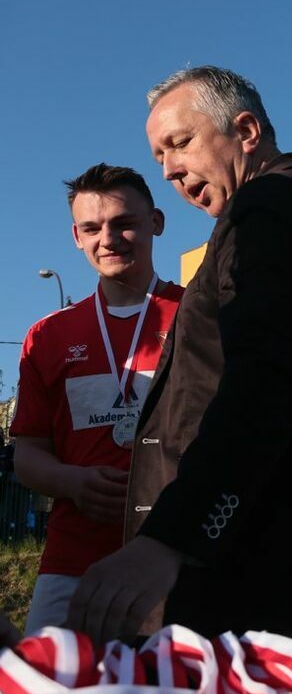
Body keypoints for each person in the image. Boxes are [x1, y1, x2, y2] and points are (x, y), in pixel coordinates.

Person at [66, 66, 292, 648]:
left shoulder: (268, 206)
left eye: (181, 142)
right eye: (159, 156)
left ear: (246, 131)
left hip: (280, 569)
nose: (169, 169)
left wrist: (172, 539)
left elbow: (265, 383)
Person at [11, 164, 183, 636]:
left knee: (180, 685)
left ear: (156, 222)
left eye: (124, 223)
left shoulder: (197, 316)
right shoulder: (47, 336)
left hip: (177, 557)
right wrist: (73, 481)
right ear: (76, 236)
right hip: (74, 562)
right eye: (91, 228)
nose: (108, 239)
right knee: (45, 683)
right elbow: (27, 454)